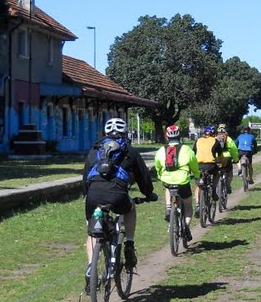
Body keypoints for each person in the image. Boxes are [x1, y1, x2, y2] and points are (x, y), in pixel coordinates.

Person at [82, 117, 157, 293]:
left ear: (106, 134)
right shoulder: (130, 151)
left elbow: (85, 177)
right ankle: (129, 243)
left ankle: (90, 266)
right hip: (117, 195)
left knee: (93, 230)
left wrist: (88, 194)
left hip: (93, 196)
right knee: (130, 208)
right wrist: (148, 193)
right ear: (125, 134)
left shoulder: (94, 151)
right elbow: (143, 177)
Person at [154, 124, 200, 236]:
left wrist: (160, 176)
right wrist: (197, 175)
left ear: (167, 137)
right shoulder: (186, 149)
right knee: (188, 206)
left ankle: (169, 208)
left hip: (167, 180)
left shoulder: (161, 150)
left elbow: (157, 166)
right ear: (180, 136)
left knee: (168, 187)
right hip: (183, 181)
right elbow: (194, 165)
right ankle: (185, 226)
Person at [193, 124, 224, 216]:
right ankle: (213, 190)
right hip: (211, 165)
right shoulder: (215, 141)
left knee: (199, 185)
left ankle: (198, 204)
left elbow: (193, 152)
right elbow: (220, 154)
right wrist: (221, 163)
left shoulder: (198, 140)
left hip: (198, 165)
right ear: (214, 133)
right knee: (217, 173)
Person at [216, 124, 240, 195]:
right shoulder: (229, 139)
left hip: (217, 158)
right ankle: (228, 185)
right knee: (229, 173)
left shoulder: (215, 138)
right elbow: (234, 150)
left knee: (216, 173)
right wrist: (236, 160)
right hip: (227, 158)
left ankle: (215, 187)